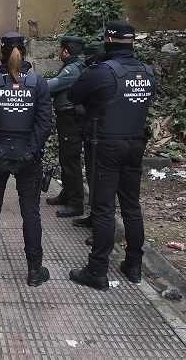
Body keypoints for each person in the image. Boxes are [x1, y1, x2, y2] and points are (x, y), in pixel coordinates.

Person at [66, 21, 155, 290]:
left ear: (107, 39)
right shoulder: (147, 72)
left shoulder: (102, 71)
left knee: (104, 208)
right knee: (132, 206)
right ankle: (134, 266)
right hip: (136, 143)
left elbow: (74, 95)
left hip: (106, 145)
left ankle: (97, 269)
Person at [0, 33, 53, 286]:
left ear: (1, 53)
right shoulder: (39, 84)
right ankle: (34, 271)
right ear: (25, 52)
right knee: (31, 214)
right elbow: (44, 124)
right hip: (28, 158)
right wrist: (28, 153)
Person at [43, 36, 87, 218]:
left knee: (70, 161)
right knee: (65, 157)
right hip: (67, 118)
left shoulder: (73, 69)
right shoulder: (77, 65)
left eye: (60, 49)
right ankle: (67, 193)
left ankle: (76, 203)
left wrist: (30, 85)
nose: (60, 53)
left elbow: (53, 85)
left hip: (71, 119)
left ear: (65, 51)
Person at [73, 41, 106, 233]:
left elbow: (76, 96)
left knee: (101, 182)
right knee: (93, 177)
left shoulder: (98, 72)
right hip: (94, 130)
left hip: (103, 134)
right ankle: (95, 217)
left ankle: (102, 229)